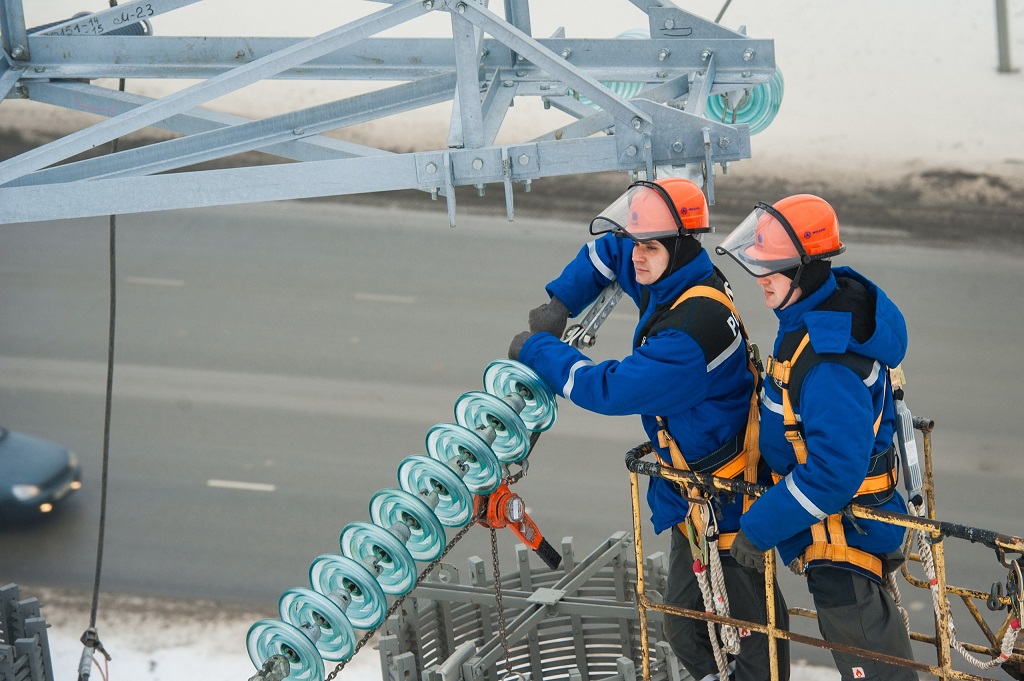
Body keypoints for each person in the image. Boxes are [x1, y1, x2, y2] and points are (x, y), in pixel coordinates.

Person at [508, 177, 790, 681]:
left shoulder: (689, 335)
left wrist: (537, 349)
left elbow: (606, 389)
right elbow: (609, 251)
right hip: (694, 497)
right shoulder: (680, 277)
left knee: (755, 643)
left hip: (727, 505)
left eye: (651, 246)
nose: (638, 256)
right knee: (683, 628)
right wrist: (562, 301)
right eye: (640, 243)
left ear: (677, 247)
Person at [715, 194, 917, 681]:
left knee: (872, 662)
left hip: (844, 541)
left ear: (805, 271)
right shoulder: (818, 315)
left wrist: (759, 528)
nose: (761, 275)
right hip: (837, 529)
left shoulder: (827, 363)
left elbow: (832, 475)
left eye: (774, 266)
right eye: (759, 262)